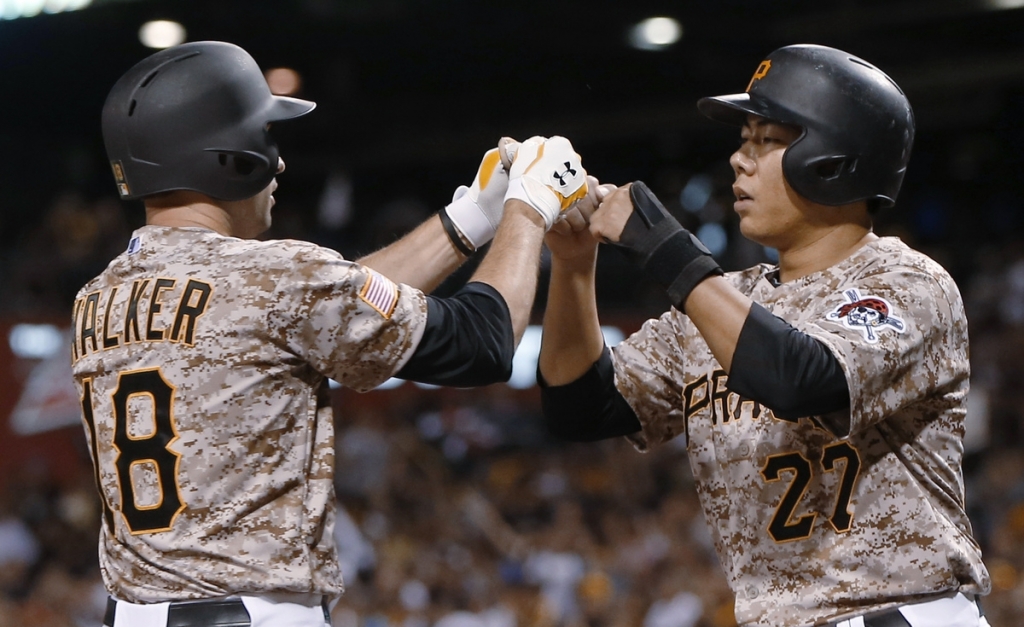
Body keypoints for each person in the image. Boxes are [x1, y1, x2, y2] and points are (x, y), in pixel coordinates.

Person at [71, 41, 592, 627]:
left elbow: (324, 309)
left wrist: (471, 218)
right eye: (265, 137)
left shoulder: (98, 296)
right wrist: (527, 211)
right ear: (227, 157)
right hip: (252, 614)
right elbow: (484, 343)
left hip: (133, 612)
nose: (280, 161)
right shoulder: (274, 278)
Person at [538, 44, 991, 627]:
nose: (738, 160)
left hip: (897, 613)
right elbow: (581, 408)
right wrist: (574, 266)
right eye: (743, 139)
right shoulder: (720, 302)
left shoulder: (908, 282)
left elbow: (801, 378)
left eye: (766, 140)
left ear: (835, 158)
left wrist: (664, 248)